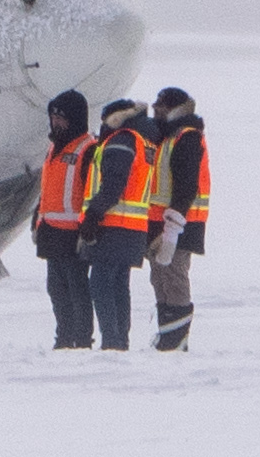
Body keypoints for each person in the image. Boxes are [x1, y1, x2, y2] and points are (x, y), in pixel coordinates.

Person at [74, 97, 158, 352]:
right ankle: (119, 339)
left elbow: (113, 185)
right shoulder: (143, 142)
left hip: (114, 225)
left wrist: (92, 215)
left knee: (100, 283)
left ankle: (112, 340)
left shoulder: (120, 141)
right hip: (133, 228)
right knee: (119, 284)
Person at [148, 86, 211, 350]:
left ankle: (176, 338)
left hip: (181, 224)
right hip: (159, 223)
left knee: (174, 276)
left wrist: (172, 227)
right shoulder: (167, 137)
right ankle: (167, 334)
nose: (155, 108)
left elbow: (186, 187)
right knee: (160, 278)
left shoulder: (187, 138)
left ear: (174, 108)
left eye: (161, 104)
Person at [32, 88, 94, 350]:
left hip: (73, 233)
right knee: (56, 290)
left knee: (77, 291)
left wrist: (87, 228)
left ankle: (81, 339)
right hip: (51, 231)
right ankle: (64, 337)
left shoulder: (87, 149)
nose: (56, 122)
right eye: (53, 117)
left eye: (62, 118)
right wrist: (37, 218)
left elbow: (90, 191)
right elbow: (48, 188)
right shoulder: (53, 148)